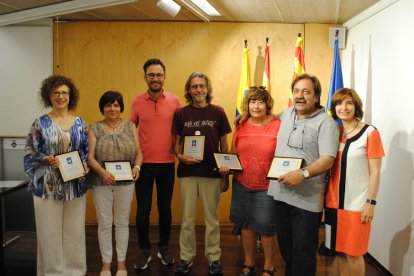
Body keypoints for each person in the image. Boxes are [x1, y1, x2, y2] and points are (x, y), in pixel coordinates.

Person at [267, 73, 339, 276]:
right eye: (296, 91)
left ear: (316, 97)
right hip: (279, 194)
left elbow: (328, 159)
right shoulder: (287, 114)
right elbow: (264, 119)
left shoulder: (326, 123)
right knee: (287, 249)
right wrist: (245, 115)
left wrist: (303, 173)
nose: (300, 96)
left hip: (306, 200)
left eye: (306, 92)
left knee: (304, 251)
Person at [23, 75, 89, 275]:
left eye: (65, 93)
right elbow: (29, 152)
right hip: (47, 187)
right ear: (49, 96)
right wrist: (46, 159)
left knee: (74, 231)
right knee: (49, 232)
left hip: (74, 185)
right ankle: (51, 271)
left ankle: (75, 270)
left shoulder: (80, 123)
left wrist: (85, 167)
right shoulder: (40, 123)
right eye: (56, 93)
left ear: (71, 96)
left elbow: (86, 151)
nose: (61, 96)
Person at [172, 72, 231, 275]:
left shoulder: (218, 112)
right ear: (189, 90)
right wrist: (180, 157)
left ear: (207, 88)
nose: (198, 90)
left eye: (201, 86)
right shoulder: (180, 113)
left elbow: (224, 143)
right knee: (187, 219)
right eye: (194, 86)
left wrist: (225, 171)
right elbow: (176, 143)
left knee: (211, 219)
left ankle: (213, 258)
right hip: (187, 173)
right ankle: (186, 257)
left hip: (211, 173)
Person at [220, 86, 280, 276]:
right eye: (252, 102)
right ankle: (249, 262)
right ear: (247, 104)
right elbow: (233, 153)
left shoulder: (278, 124)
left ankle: (269, 265)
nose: (256, 106)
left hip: (267, 187)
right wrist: (226, 165)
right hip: (242, 184)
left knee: (266, 228)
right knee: (245, 225)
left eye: (260, 101)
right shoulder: (241, 125)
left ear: (267, 104)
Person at [324, 88, 384, 276]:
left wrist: (371, 203)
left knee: (354, 255)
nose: (344, 107)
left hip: (357, 205)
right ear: (334, 108)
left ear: (356, 106)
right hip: (333, 203)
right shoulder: (334, 132)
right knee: (339, 253)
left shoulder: (370, 132)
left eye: (349, 103)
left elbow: (375, 172)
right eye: (339, 103)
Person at [130, 58, 181, 270]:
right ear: (145, 77)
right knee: (143, 209)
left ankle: (163, 247)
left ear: (164, 77)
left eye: (159, 75)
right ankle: (144, 250)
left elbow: (180, 130)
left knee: (164, 208)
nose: (155, 78)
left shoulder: (175, 100)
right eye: (151, 75)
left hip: (167, 163)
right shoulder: (136, 102)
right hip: (143, 165)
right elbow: (130, 131)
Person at [88, 91, 143, 276]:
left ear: (121, 108)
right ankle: (105, 264)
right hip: (100, 181)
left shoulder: (130, 126)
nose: (112, 109)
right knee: (104, 223)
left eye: (116, 105)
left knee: (121, 222)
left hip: (126, 182)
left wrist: (137, 168)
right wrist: (102, 172)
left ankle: (121, 264)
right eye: (108, 105)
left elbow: (139, 153)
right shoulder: (94, 127)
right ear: (102, 108)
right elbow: (90, 157)